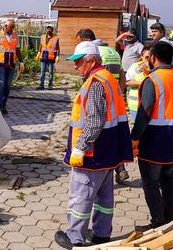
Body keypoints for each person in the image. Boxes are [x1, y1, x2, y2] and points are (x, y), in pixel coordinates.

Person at [55, 41, 133, 249]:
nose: (75, 66)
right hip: (108, 150)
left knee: (81, 196)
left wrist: (80, 147)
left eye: (78, 62)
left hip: (93, 153)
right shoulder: (108, 78)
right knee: (104, 197)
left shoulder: (95, 83)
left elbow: (95, 121)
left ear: (91, 61)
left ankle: (74, 238)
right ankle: (101, 235)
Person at [131, 42, 173, 228]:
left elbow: (145, 111)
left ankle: (158, 222)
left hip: (154, 138)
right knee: (167, 177)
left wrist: (134, 136)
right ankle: (169, 216)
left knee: (150, 182)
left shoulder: (152, 80)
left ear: (153, 58)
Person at [75, 29, 127, 182]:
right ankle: (120, 168)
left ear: (87, 42)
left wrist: (80, 148)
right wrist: (119, 94)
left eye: (79, 43)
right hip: (114, 99)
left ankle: (118, 168)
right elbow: (122, 76)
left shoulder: (96, 55)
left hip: (99, 109)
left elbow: (95, 117)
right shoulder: (113, 52)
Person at [0, 20, 24, 115]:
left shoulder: (15, 36)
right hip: (0, 64)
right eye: (10, 27)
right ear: (5, 26)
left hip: (11, 64)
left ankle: (3, 105)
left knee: (8, 86)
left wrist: (21, 61)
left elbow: (17, 49)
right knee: (0, 84)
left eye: (13, 27)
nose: (12, 29)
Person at [126, 45, 151, 122]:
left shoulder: (156, 68)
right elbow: (127, 81)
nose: (149, 59)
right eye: (147, 57)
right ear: (142, 56)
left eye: (151, 57)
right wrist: (142, 83)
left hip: (151, 106)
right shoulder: (135, 67)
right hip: (135, 105)